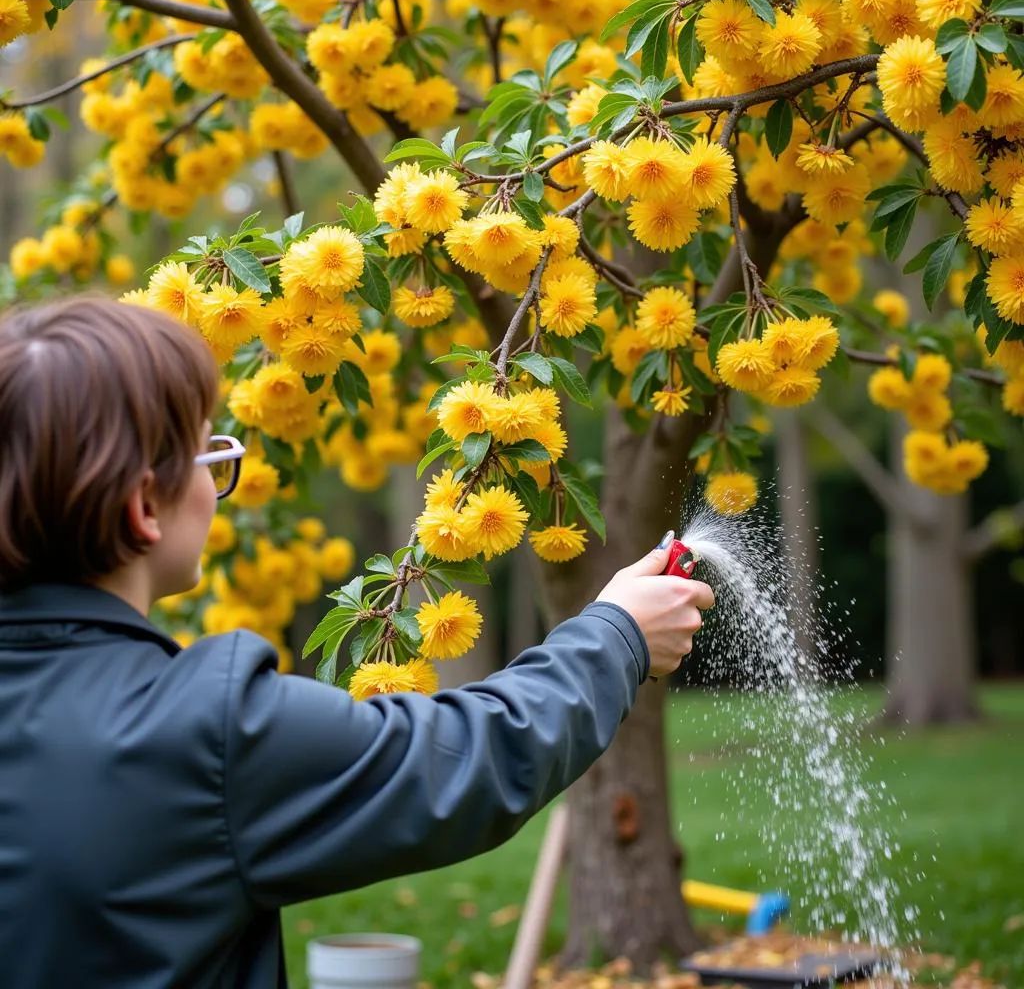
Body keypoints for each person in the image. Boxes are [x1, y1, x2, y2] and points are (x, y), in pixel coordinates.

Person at [0, 298, 715, 988]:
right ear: (142, 507)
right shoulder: (198, 731)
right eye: (208, 457)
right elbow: (474, 758)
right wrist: (618, 633)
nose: (217, 480)